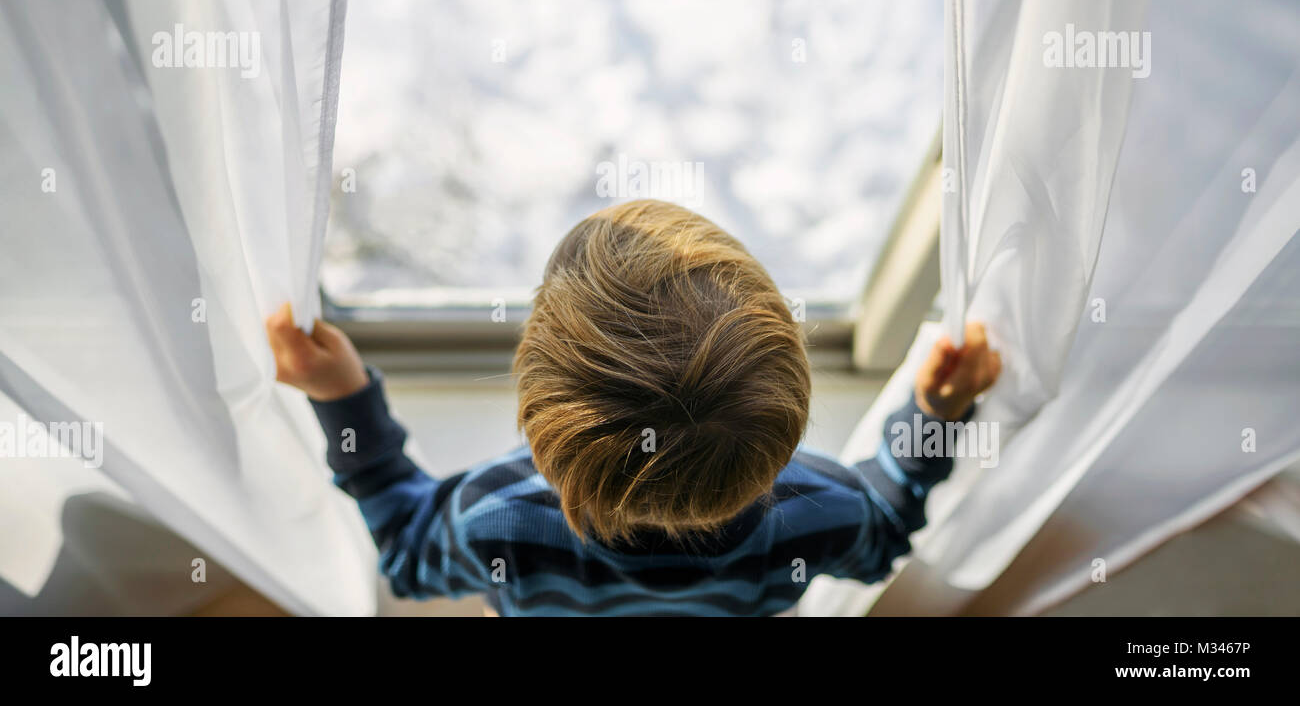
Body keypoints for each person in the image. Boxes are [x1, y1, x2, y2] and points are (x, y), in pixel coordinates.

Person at [266, 199, 1001, 615]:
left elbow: (403, 543)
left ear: (543, 425)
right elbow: (887, 525)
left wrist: (343, 398)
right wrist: (933, 414)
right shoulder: (819, 513)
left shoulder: (498, 520)